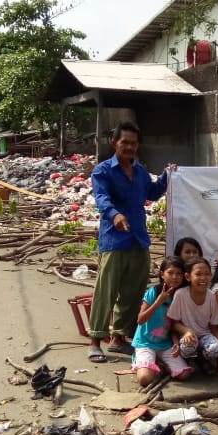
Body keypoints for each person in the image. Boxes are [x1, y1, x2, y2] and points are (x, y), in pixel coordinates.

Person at [88, 122, 173, 362]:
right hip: (114, 240)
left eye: (133, 143)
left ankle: (119, 338)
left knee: (133, 292)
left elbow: (153, 193)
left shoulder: (140, 171)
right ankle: (95, 340)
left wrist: (168, 175)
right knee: (106, 291)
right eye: (124, 142)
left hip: (138, 239)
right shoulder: (103, 171)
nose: (129, 147)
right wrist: (115, 215)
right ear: (114, 142)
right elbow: (101, 198)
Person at [131, 257, 194, 386]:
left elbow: (174, 324)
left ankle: (159, 363)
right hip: (145, 342)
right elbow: (140, 320)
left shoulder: (181, 296)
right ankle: (141, 360)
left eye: (179, 274)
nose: (175, 277)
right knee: (144, 379)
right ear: (162, 274)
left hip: (166, 343)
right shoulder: (153, 292)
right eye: (170, 273)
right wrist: (158, 301)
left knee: (184, 375)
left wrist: (176, 342)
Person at [169, 257, 218, 375]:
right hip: (188, 336)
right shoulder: (180, 294)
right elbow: (173, 323)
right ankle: (190, 359)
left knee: (216, 349)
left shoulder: (212, 297)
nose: (203, 278)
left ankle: (203, 359)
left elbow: (214, 327)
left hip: (204, 335)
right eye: (198, 274)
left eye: (207, 274)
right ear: (188, 277)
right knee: (188, 346)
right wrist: (186, 331)